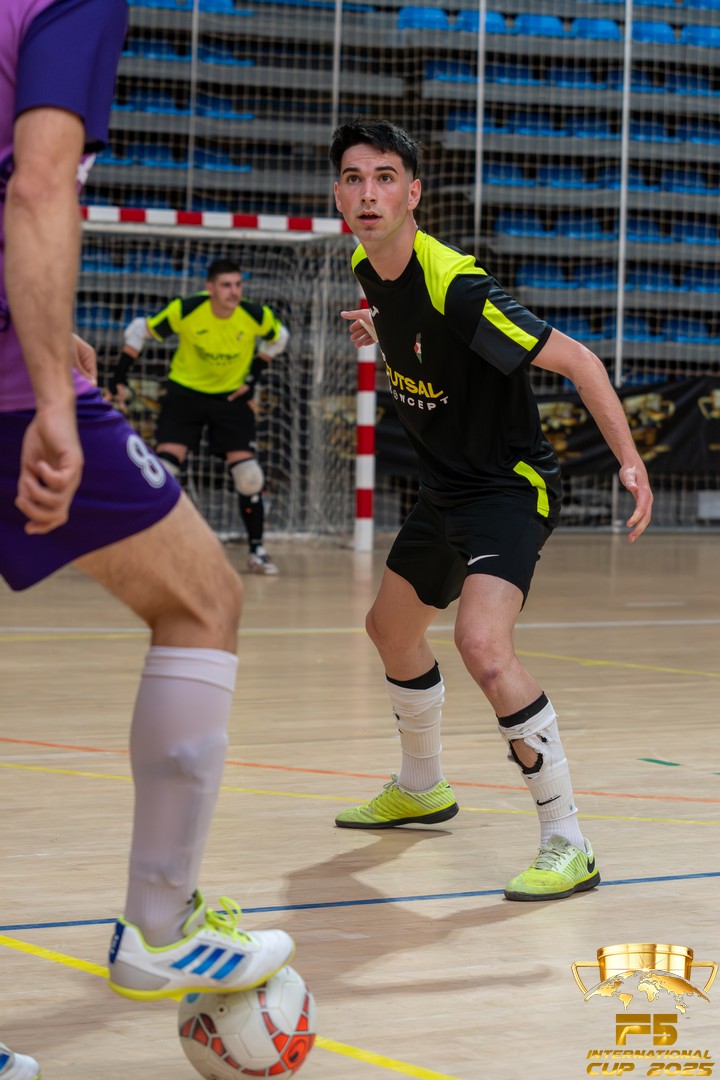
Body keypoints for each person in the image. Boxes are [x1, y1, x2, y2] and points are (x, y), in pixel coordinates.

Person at [0, 5, 294, 1074]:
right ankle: (160, 926)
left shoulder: (250, 322)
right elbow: (39, 183)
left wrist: (47, 326)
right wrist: (48, 387)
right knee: (201, 599)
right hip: (9, 395)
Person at [330, 119, 653, 901]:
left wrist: (631, 460)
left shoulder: (458, 286)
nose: (368, 193)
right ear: (338, 194)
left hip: (509, 487)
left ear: (413, 193)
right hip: (445, 487)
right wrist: (382, 326)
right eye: (353, 178)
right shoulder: (367, 265)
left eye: (384, 178)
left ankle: (568, 842)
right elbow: (415, 329)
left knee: (482, 644)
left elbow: (580, 361)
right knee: (390, 630)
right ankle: (422, 788)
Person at [109, 259, 290, 575]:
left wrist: (253, 378)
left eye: (238, 285)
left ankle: (257, 551)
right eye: (226, 285)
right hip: (185, 394)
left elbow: (280, 337)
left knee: (249, 476)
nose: (234, 292)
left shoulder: (254, 315)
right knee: (163, 471)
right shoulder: (188, 309)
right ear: (210, 288)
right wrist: (118, 378)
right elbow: (139, 330)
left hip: (230, 398)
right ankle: (150, 548)